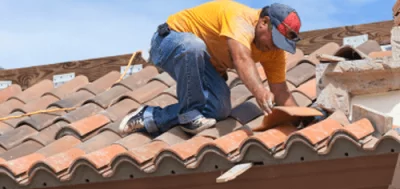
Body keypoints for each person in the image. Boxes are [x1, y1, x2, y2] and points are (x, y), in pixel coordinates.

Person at [119, 1, 301, 137]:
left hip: (203, 62)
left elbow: (281, 90)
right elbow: (241, 58)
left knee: (220, 109)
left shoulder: (273, 52)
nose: (275, 47)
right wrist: (260, 91)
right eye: (275, 40)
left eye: (281, 44)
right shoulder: (239, 17)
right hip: (169, 42)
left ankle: (151, 117)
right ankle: (189, 115)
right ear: (264, 22)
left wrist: (301, 119)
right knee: (193, 46)